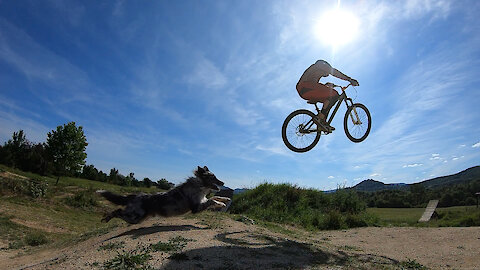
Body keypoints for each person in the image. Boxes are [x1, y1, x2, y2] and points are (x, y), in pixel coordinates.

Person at [296, 60, 359, 129]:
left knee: (328, 100)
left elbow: (316, 86)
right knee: (334, 94)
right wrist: (349, 79)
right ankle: (322, 116)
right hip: (305, 86)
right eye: (326, 73)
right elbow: (334, 72)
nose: (326, 75)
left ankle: (323, 123)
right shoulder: (321, 65)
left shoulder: (315, 71)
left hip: (305, 90)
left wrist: (328, 85)